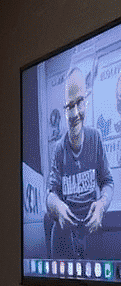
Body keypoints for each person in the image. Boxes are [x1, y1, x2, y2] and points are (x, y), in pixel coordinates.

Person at [46, 67, 114, 259]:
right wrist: (58, 207)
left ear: (87, 101)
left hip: (92, 233)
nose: (75, 113)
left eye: (79, 102)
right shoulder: (59, 149)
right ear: (64, 109)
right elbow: (50, 195)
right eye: (69, 106)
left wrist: (101, 204)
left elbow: (108, 182)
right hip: (65, 236)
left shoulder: (96, 138)